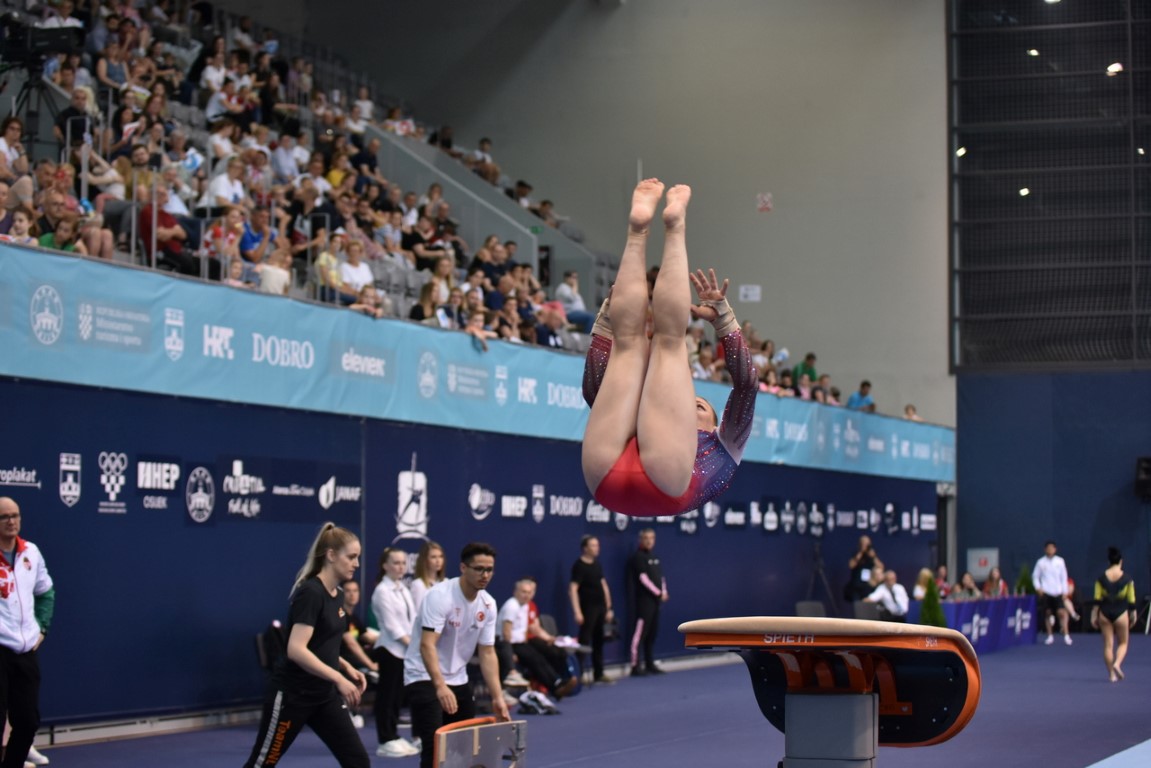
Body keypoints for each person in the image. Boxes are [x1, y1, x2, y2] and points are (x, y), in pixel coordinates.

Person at [581, 180, 756, 517]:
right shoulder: (728, 446)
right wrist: (724, 323)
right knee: (661, 342)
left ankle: (654, 231)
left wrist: (605, 327)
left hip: (612, 474)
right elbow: (746, 384)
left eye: (698, 407)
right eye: (696, 403)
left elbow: (593, 393)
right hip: (624, 481)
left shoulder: (724, 440)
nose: (687, 405)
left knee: (638, 342)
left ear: (716, 426)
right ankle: (653, 228)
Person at [241, 523, 370, 768]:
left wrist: (345, 667)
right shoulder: (311, 593)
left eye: (358, 557)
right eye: (351, 557)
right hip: (293, 697)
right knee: (262, 764)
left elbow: (321, 645)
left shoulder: (338, 595)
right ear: (331, 555)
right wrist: (338, 678)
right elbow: (296, 649)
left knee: (358, 762)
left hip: (324, 697)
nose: (356, 564)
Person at [403, 542, 510, 768]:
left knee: (463, 747)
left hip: (458, 677)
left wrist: (497, 697)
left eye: (489, 570)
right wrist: (440, 686)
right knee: (435, 747)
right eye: (479, 569)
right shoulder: (439, 596)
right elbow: (427, 645)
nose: (485, 575)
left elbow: (487, 652)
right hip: (423, 674)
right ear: (463, 568)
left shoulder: (488, 604)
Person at [0, 498, 54, 768]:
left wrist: (42, 626)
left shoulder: (31, 552)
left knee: (28, 721)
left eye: (15, 515)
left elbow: (45, 592)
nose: (11, 521)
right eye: (4, 517)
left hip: (25, 651)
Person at [370, 548, 419, 758]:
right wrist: (413, 645)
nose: (400, 567)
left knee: (398, 697)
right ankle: (385, 740)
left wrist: (415, 642)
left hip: (405, 652)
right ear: (385, 566)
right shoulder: (382, 591)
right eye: (396, 563)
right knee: (387, 696)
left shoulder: (403, 589)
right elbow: (392, 627)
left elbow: (413, 619)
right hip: (389, 650)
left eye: (403, 563)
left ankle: (394, 735)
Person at [498, 579, 576, 701]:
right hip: (507, 645)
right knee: (535, 659)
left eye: (529, 592)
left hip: (520, 643)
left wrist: (548, 638)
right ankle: (555, 687)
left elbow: (528, 628)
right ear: (515, 592)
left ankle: (557, 684)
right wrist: (510, 654)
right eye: (523, 592)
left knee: (540, 657)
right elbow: (506, 632)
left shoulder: (525, 606)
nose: (526, 595)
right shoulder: (511, 606)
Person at [569, 534, 615, 684]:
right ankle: (578, 675)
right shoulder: (579, 566)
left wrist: (608, 607)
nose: (597, 548)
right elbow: (573, 589)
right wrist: (577, 611)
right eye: (593, 545)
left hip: (601, 607)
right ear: (585, 548)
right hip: (587, 609)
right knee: (584, 640)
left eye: (597, 545)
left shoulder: (597, 564)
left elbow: (604, 585)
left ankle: (599, 673)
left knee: (599, 640)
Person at [1090, 547, 1137, 683]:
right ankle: (1117, 663)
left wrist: (1094, 615)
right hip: (1121, 612)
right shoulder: (1127, 579)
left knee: (1108, 645)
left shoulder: (1101, 579)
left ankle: (1111, 674)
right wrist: (1133, 614)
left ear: (1109, 562)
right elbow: (1131, 599)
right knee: (1123, 643)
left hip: (1104, 612)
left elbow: (1097, 599)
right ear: (1121, 561)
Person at [625, 528, 667, 677]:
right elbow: (643, 579)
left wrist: (664, 591)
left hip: (656, 602)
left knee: (652, 634)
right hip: (644, 602)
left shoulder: (655, 558)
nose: (649, 541)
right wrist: (658, 593)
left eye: (651, 538)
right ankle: (635, 666)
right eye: (646, 538)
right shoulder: (638, 557)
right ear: (640, 540)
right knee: (640, 634)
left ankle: (649, 663)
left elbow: (660, 578)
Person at [1033, 540, 1072, 646]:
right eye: (1048, 548)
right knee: (1048, 613)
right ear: (1045, 549)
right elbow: (1035, 576)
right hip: (1046, 592)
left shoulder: (1060, 561)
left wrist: (1065, 591)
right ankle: (1050, 636)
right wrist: (1038, 588)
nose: (1050, 550)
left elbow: (1064, 577)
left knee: (1061, 613)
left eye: (1052, 548)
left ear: (1055, 549)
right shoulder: (1040, 562)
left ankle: (1066, 635)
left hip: (1058, 592)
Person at [408, 541, 445, 613]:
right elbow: (418, 612)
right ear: (425, 560)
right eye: (433, 557)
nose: (438, 560)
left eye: (441, 556)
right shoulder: (418, 585)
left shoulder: (446, 582)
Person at [846, 535, 883, 602]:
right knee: (857, 604)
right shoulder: (857, 554)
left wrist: (873, 557)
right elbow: (851, 565)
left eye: (867, 544)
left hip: (869, 585)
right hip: (857, 584)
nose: (866, 546)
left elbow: (881, 567)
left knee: (867, 603)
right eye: (863, 544)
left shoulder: (872, 555)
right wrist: (860, 552)